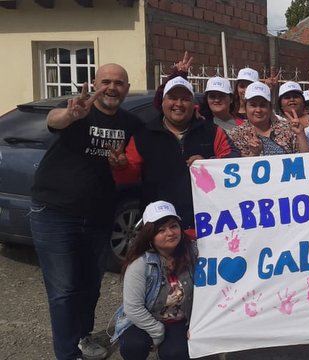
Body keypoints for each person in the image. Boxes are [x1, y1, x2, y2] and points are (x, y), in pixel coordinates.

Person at [29, 63, 142, 360]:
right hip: (55, 212)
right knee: (64, 289)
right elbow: (54, 121)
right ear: (94, 84)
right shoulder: (78, 111)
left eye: (119, 83)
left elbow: (133, 164)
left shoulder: (130, 123)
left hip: (98, 215)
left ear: (127, 89)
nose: (112, 87)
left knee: (90, 285)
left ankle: (81, 336)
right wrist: (69, 114)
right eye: (106, 81)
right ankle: (67, 354)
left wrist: (123, 167)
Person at [113, 76, 239, 238]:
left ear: (193, 104)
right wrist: (121, 167)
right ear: (163, 102)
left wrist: (210, 163)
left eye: (185, 99)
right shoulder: (143, 135)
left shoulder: (212, 132)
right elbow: (128, 178)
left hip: (206, 228)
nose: (178, 104)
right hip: (160, 232)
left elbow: (235, 161)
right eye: (172, 98)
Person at [111, 201, 196, 360]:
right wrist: (157, 332)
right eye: (161, 230)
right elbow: (133, 308)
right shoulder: (140, 265)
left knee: (176, 353)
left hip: (180, 319)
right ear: (149, 236)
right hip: (148, 319)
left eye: (173, 226)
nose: (170, 233)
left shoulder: (193, 252)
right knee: (133, 345)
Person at [228, 81, 309, 156]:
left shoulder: (287, 128)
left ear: (270, 108)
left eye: (263, 105)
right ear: (246, 108)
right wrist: (253, 153)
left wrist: (300, 134)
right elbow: (241, 168)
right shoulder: (237, 134)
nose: (258, 110)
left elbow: (306, 160)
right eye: (253, 105)